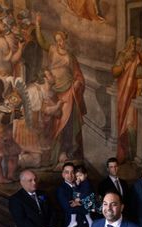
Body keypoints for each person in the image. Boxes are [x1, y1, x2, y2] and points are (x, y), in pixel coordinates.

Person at [36, 16, 87, 164]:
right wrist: (38, 24)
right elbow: (41, 42)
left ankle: (67, 150)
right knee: (55, 122)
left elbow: (78, 75)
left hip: (69, 91)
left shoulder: (71, 57)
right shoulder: (51, 50)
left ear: (65, 40)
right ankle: (57, 152)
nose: (60, 42)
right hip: (54, 90)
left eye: (62, 39)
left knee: (68, 122)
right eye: (58, 40)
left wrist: (78, 83)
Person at [112, 35, 142, 163]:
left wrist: (138, 93)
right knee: (122, 122)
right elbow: (114, 72)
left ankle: (131, 153)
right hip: (122, 94)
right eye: (132, 45)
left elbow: (140, 79)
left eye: (136, 46)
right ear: (128, 45)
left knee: (130, 125)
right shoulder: (122, 56)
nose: (134, 48)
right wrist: (123, 65)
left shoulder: (138, 60)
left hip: (132, 96)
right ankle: (123, 152)